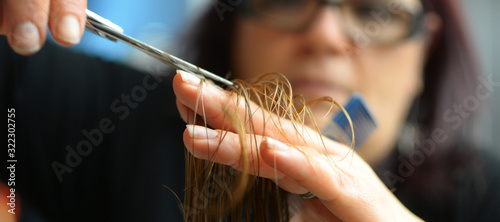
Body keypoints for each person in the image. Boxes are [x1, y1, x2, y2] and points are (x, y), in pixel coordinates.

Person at [1, 0, 499, 221]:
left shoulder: (481, 197)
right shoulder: (115, 121)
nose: (325, 35)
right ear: (232, 26)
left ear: (424, 54)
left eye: (373, 10)